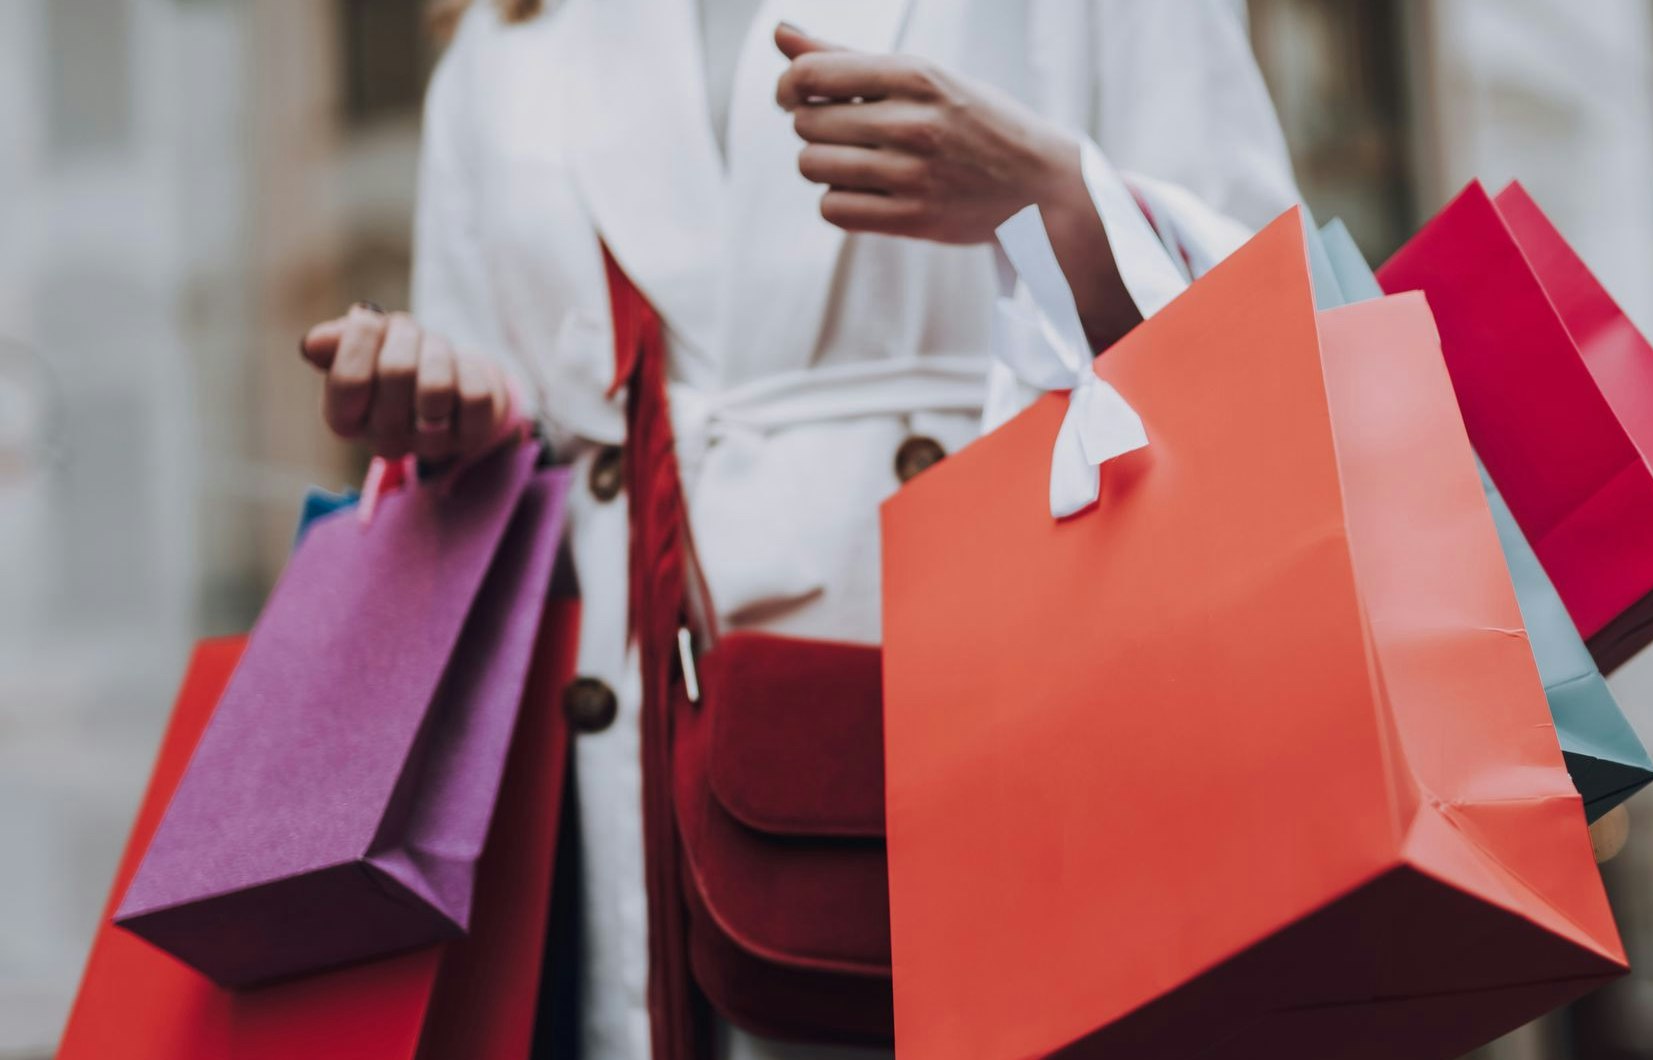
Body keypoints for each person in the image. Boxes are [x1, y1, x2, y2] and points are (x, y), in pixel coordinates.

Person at [297, 1, 1299, 1057]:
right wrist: (458, 408)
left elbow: (1269, 329)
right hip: (641, 795)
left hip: (997, 734)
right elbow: (515, 407)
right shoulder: (505, 38)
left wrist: (1051, 195)